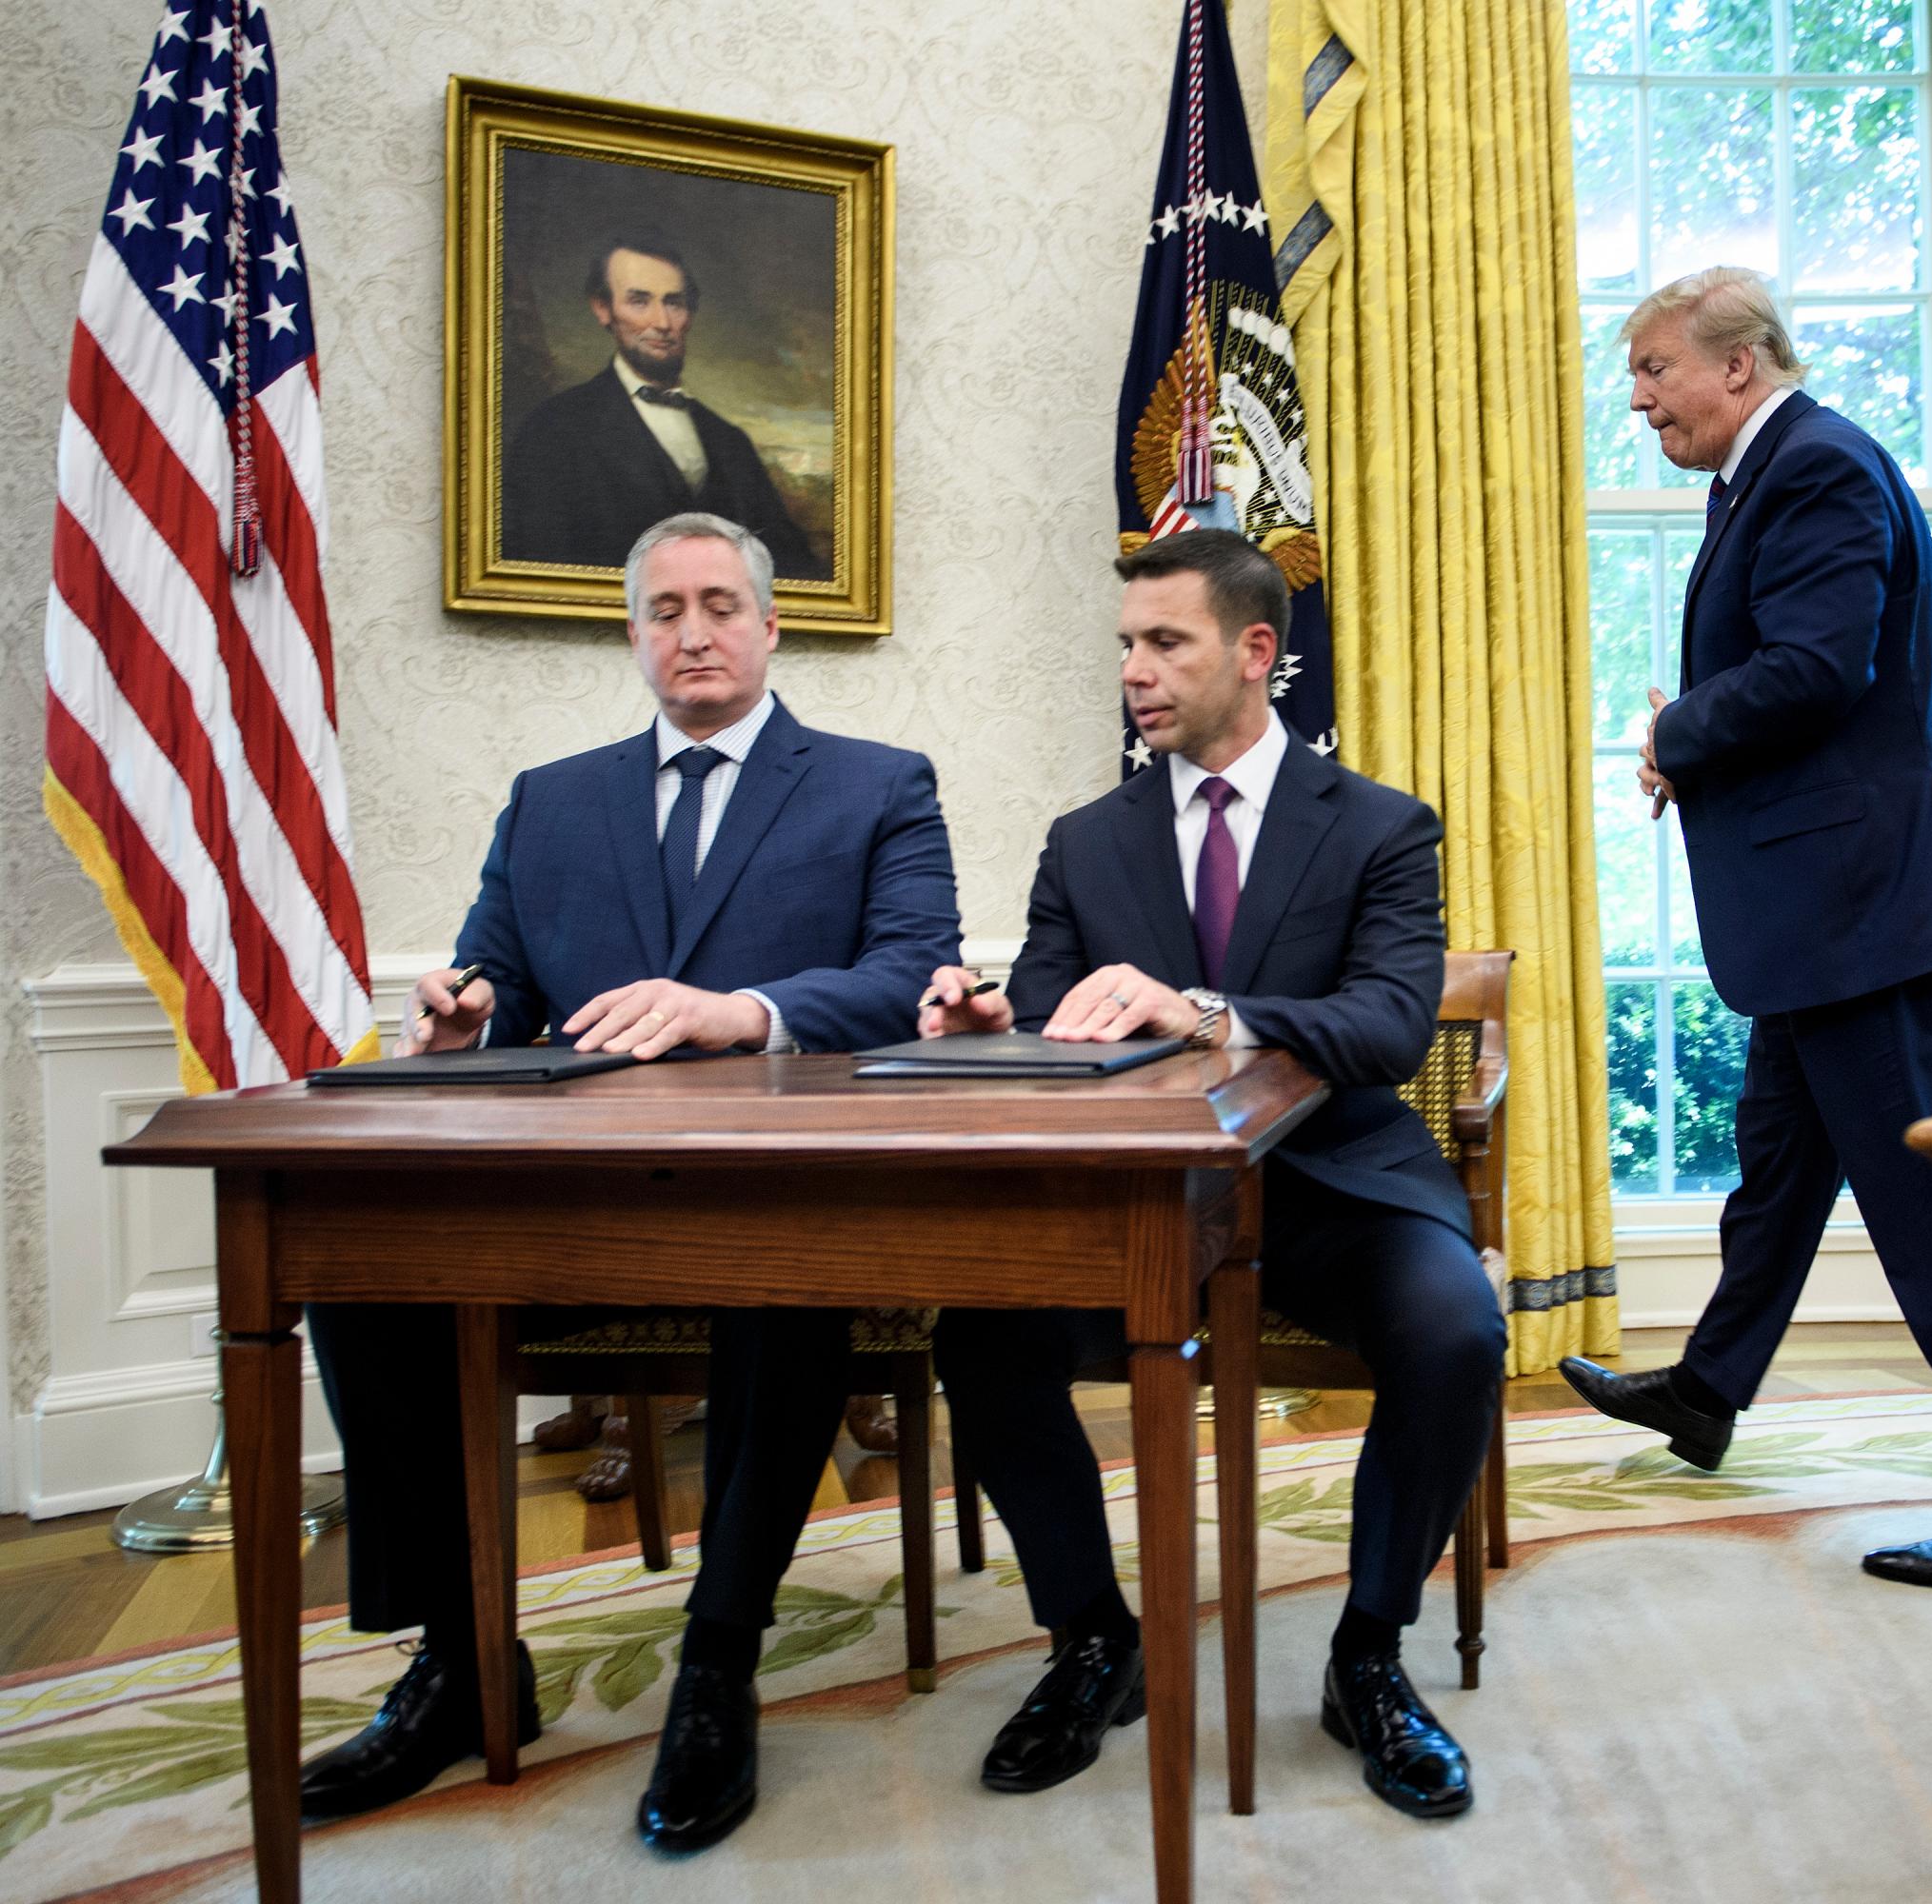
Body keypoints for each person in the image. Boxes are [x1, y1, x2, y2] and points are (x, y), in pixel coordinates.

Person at [297, 511, 962, 1851]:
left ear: (772, 627)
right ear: (634, 636)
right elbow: (497, 975)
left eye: (721, 604)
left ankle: (718, 1658)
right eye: (665, 611)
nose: (694, 631)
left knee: (786, 1284)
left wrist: (743, 1011)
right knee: (356, 1276)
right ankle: (463, 1658)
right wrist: (461, 1012)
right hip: (579, 1201)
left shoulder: (878, 784)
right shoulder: (553, 799)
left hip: (782, 1195)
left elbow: (909, 974)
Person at [920, 528, 1503, 1819]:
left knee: (1458, 1329)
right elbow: (1051, 1002)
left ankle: (1368, 1654)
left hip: (1340, 1185)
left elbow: (1393, 1022)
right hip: (1140, 1206)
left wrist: (1202, 1011)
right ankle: (1091, 1639)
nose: (1134, 669)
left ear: (1254, 652)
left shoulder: (1383, 828)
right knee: (983, 1339)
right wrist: (996, 1021)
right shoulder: (1086, 839)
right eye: (1127, 644)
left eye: (1164, 642)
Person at [1557, 268, 1932, 1592]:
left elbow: (1819, 669)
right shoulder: (1773, 473)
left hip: (1866, 909)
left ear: (1744, 361)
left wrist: (1673, 733)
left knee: (1925, 1207)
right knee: (1778, 1163)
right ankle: (1711, 1388)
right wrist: (1696, 745)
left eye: (1655, 368)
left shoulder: (1817, 464)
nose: (1638, 394)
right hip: (1832, 911)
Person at [501, 233, 827, 581]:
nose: (662, 322)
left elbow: (793, 570)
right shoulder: (553, 429)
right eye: (640, 302)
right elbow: (540, 574)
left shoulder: (730, 442)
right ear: (602, 309)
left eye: (674, 303)